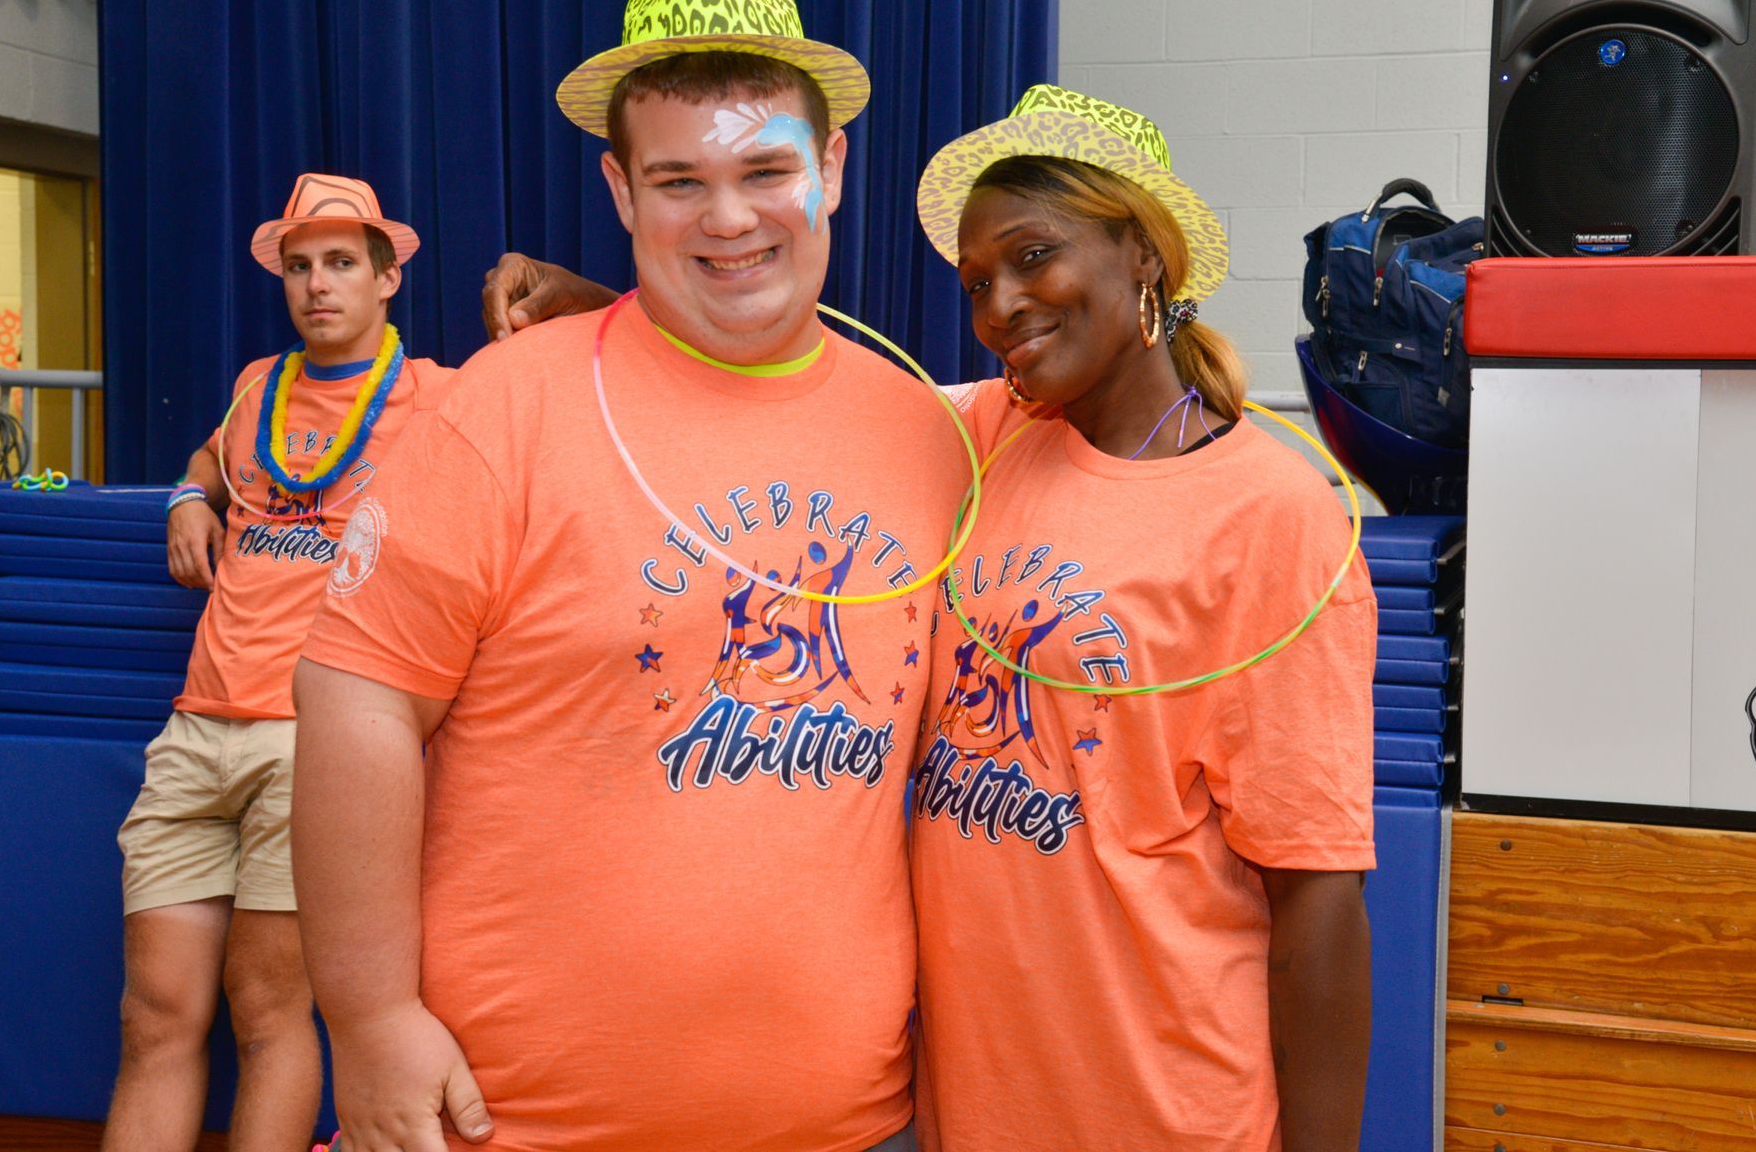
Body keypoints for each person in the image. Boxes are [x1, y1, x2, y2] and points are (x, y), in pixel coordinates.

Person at [489, 84, 1377, 1151]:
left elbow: (1319, 903)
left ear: (1142, 253)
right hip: (974, 1111)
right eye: (976, 281)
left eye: (1034, 256)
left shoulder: (1269, 515)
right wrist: (598, 304)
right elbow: (804, 385)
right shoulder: (985, 436)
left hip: (1166, 1110)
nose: (1002, 303)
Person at [291, 0, 969, 1152]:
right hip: (510, 1121)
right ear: (618, 190)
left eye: (767, 169)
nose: (727, 217)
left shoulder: (926, 434)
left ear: (833, 171)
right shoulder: (502, 410)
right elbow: (356, 701)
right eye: (677, 180)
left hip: (845, 1122)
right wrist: (372, 1011)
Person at [105, 175, 453, 1152]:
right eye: (299, 266)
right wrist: (185, 493)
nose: (316, 285)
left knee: (268, 1011)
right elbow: (215, 458)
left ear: (388, 279)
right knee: (153, 1015)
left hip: (318, 743)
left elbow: (575, 378)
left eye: (342, 263)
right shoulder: (260, 383)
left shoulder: (434, 395)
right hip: (197, 728)